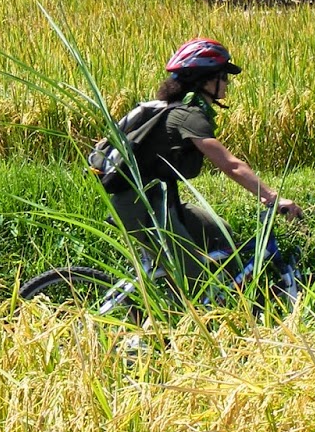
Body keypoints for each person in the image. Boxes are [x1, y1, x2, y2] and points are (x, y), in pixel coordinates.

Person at [103, 38, 299, 292]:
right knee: (192, 276)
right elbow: (231, 165)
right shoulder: (187, 116)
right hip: (140, 208)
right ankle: (178, 323)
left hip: (160, 201)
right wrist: (272, 197)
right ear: (206, 79)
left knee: (221, 235)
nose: (227, 84)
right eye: (223, 77)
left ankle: (219, 305)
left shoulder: (185, 110)